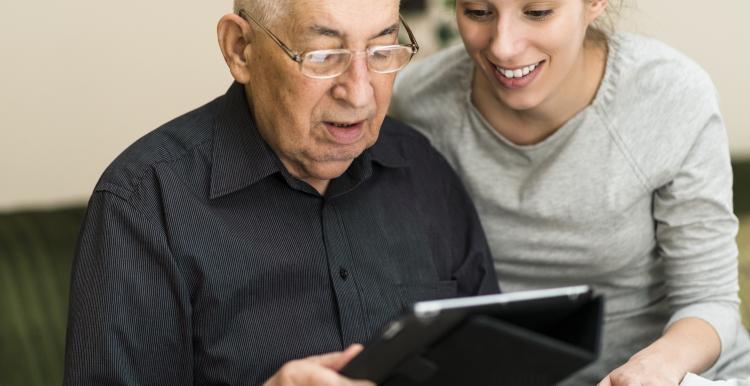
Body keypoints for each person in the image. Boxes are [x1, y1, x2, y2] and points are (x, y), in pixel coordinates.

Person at [63, 0, 499, 385]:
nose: (360, 93)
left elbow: (497, 362)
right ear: (240, 49)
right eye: (324, 54)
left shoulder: (423, 170)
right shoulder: (145, 201)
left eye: (382, 49)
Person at [391, 0, 750, 385]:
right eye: (479, 12)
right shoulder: (418, 105)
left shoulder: (669, 95)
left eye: (538, 12)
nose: (503, 47)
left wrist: (657, 367)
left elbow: (710, 301)